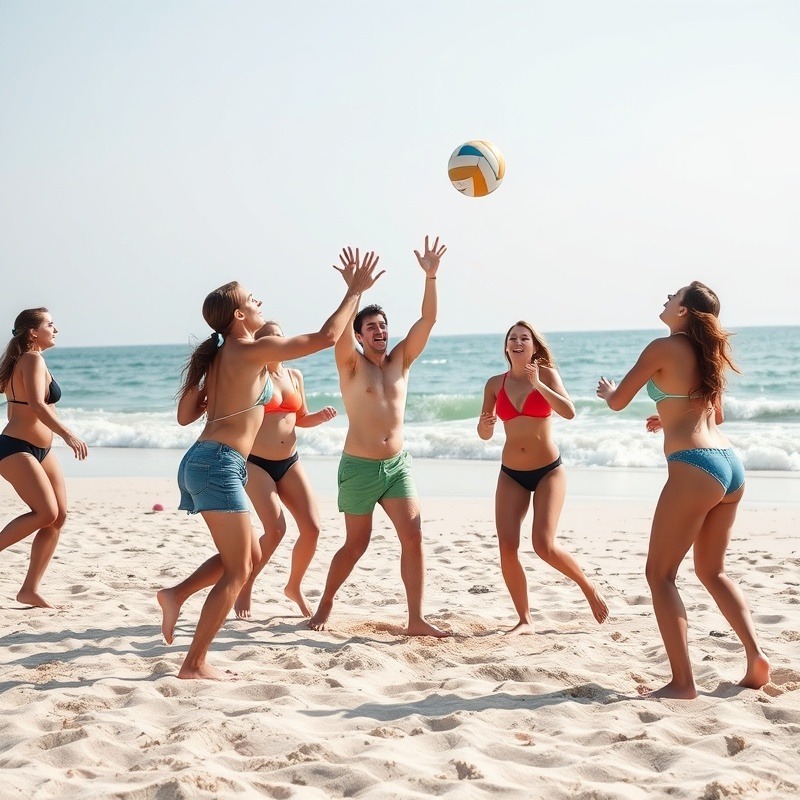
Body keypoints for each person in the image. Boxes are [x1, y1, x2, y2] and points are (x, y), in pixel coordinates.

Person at [158, 252, 382, 680]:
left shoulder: (224, 356)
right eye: (253, 299)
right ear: (239, 315)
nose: (261, 302)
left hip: (207, 460)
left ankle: (175, 595)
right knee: (240, 569)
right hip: (218, 463)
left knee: (241, 556)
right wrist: (355, 291)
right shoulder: (250, 349)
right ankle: (194, 663)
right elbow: (325, 336)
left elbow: (186, 416)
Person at [596, 282, 770, 699]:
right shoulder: (709, 355)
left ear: (685, 311)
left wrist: (607, 392)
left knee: (659, 575)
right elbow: (717, 416)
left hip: (695, 467)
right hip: (730, 466)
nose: (666, 299)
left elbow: (619, 401)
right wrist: (669, 415)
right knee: (713, 571)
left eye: (673, 296)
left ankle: (682, 683)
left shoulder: (663, 346)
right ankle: (755, 656)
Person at [308, 236, 450, 637]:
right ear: (359, 335)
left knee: (414, 536)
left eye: (383, 325)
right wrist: (353, 291)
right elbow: (335, 332)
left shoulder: (401, 360)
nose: (380, 331)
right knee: (356, 545)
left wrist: (431, 276)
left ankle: (416, 619)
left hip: (397, 466)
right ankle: (326, 603)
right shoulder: (351, 364)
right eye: (371, 327)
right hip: (359, 468)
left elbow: (428, 321)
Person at [477, 321, 608, 635]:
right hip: (511, 475)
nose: (518, 342)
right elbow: (484, 435)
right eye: (513, 338)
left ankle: (588, 587)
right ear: (507, 347)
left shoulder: (546, 375)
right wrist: (486, 423)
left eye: (525, 338)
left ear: (534, 346)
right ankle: (524, 620)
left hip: (548, 471)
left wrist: (539, 384)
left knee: (543, 544)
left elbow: (569, 411)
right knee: (507, 548)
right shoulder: (495, 384)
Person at [233, 319, 337, 619]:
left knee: (313, 529)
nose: (278, 341)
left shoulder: (294, 375)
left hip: (290, 460)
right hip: (255, 463)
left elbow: (300, 417)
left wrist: (320, 416)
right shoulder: (253, 376)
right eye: (271, 338)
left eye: (281, 336)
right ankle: (247, 584)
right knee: (276, 529)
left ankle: (293, 586)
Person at [0, 308, 88, 608]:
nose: (56, 329)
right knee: (45, 513)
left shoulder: (23, 359)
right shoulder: (32, 358)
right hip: (16, 448)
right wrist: (68, 434)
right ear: (33, 332)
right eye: (50, 324)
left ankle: (29, 590)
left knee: (59, 517)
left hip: (41, 451)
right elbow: (37, 405)